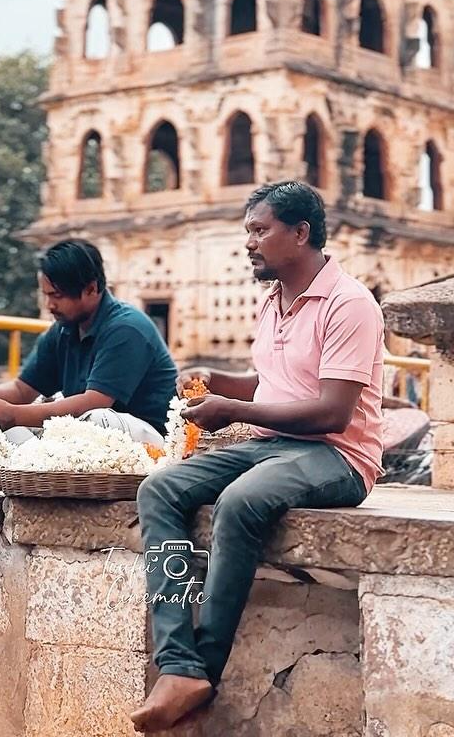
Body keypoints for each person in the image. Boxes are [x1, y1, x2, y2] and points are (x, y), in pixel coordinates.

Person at [130, 181, 384, 733]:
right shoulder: (273, 300)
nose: (249, 242)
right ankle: (178, 663)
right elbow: (274, 383)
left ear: (301, 233)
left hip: (338, 457)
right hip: (278, 445)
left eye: (260, 230)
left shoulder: (350, 303)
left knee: (240, 500)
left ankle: (204, 669)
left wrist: (234, 409)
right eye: (248, 230)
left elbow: (332, 413)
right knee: (160, 488)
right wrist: (223, 385)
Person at [0, 239, 177, 446]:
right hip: (87, 438)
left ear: (91, 288)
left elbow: (95, 402)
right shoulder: (63, 329)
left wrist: (14, 414)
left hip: (146, 437)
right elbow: (22, 390)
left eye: (57, 296)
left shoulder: (127, 328)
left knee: (97, 418)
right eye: (46, 295)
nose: (49, 305)